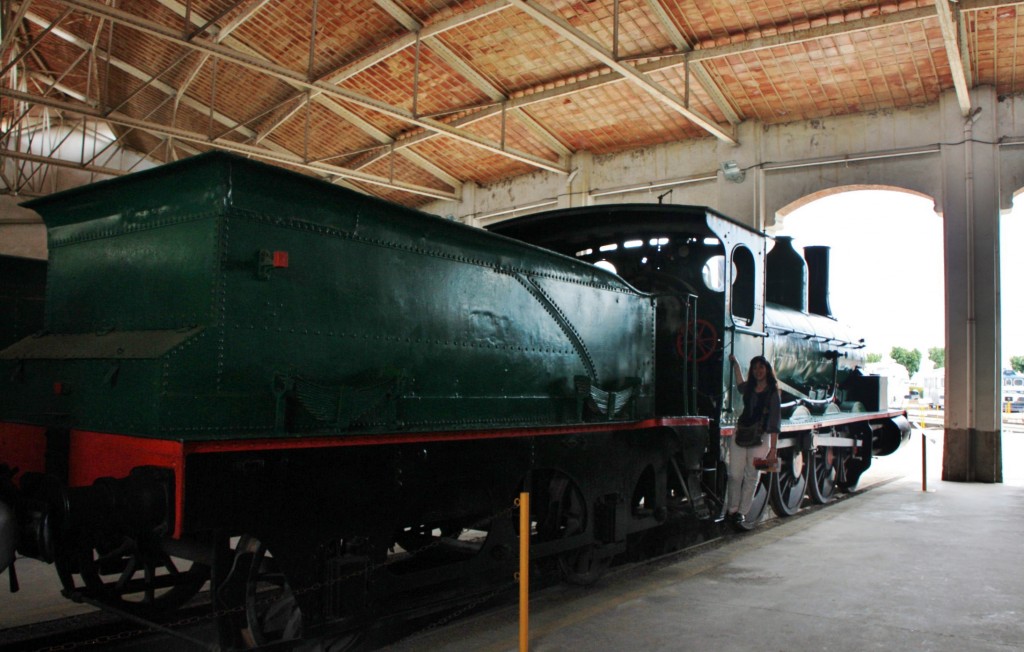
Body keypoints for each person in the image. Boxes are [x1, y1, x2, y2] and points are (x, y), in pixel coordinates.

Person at [726, 353, 781, 526]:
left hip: (762, 437)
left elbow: (775, 422)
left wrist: (773, 449)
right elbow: (739, 385)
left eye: (761, 367)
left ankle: (741, 512)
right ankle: (732, 508)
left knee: (753, 475)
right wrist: (736, 364)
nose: (758, 371)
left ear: (767, 369)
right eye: (755, 368)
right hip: (741, 432)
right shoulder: (749, 387)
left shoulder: (773, 392)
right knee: (734, 474)